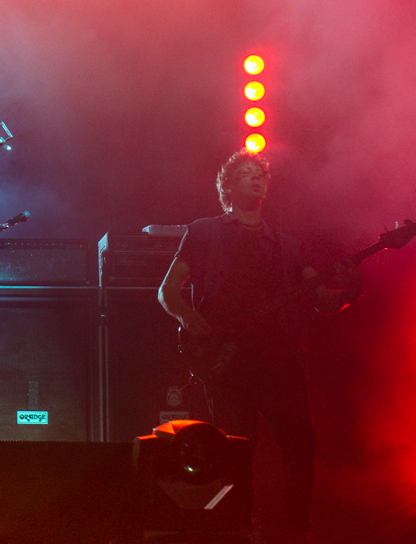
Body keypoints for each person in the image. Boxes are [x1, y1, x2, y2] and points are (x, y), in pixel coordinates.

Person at [158, 149, 361, 544]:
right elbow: (168, 291)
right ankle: (239, 528)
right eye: (246, 174)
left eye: (260, 175)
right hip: (227, 359)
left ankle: (298, 529)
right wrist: (187, 316)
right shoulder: (202, 231)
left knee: (301, 441)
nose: (256, 179)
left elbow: (324, 299)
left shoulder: (289, 247)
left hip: (280, 358)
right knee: (236, 446)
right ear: (227, 187)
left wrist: (353, 291)